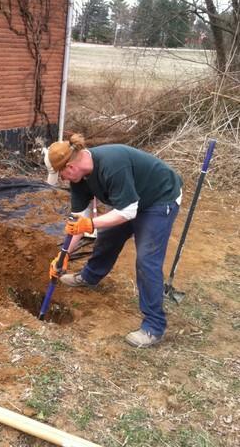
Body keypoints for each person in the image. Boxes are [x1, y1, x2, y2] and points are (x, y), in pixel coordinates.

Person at [47, 134, 182, 348]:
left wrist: (91, 224)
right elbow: (77, 222)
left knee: (147, 260)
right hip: (132, 200)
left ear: (70, 167)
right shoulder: (79, 180)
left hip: (158, 198)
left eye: (61, 175)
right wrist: (63, 256)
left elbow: (128, 212)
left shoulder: (112, 165)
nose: (62, 180)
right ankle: (89, 277)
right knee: (108, 237)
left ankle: (154, 327)